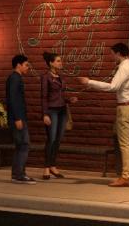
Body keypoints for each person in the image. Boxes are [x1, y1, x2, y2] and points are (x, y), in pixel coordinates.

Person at [79, 42, 129, 187]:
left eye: (112, 53)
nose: (111, 56)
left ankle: (125, 177)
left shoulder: (124, 68)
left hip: (125, 108)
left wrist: (89, 82)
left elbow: (113, 87)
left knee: (125, 143)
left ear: (119, 53)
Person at [41, 51, 78, 180]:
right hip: (51, 111)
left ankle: (53, 165)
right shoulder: (45, 77)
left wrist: (69, 100)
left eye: (60, 61)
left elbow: (60, 96)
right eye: (58, 61)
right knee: (51, 139)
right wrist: (45, 114)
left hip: (62, 111)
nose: (61, 63)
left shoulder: (61, 77)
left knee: (58, 139)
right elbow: (44, 97)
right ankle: (46, 167)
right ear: (51, 63)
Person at [6, 54, 35, 184]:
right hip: (18, 118)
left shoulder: (16, 78)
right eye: (26, 65)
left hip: (19, 117)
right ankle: (19, 175)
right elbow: (13, 99)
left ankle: (17, 174)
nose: (28, 67)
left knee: (20, 145)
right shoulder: (14, 78)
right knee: (24, 144)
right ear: (19, 65)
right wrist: (18, 118)